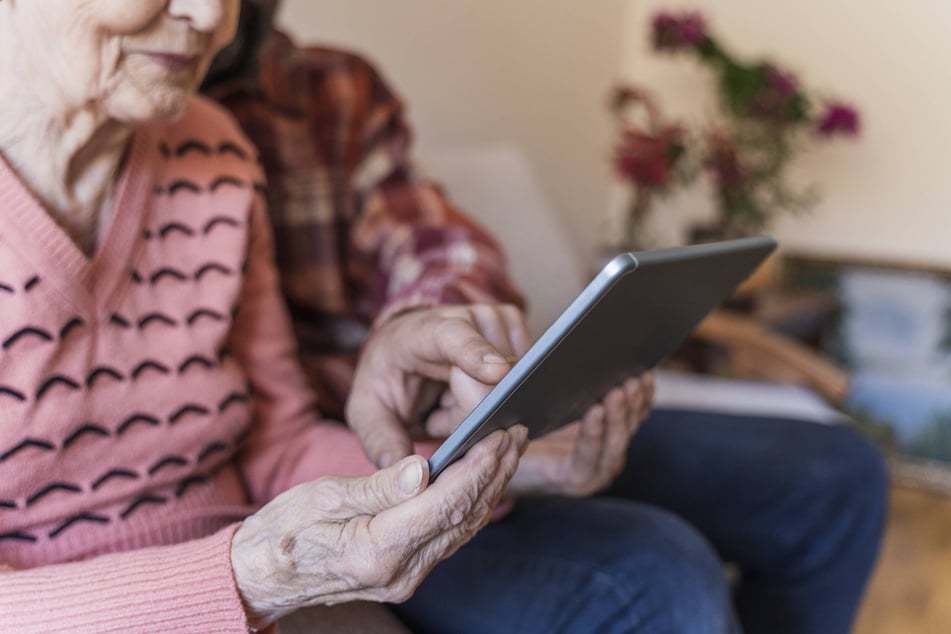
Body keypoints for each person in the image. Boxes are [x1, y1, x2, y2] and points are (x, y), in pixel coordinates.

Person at [201, 2, 890, 633]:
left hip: (461, 428)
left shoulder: (328, 91)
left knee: (839, 476)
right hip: (347, 469)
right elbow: (267, 444)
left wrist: (441, 330)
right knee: (659, 572)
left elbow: (437, 243)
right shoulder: (173, 141)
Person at [0, 1, 656, 631]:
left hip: (257, 590)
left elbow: (277, 445)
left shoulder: (213, 153)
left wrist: (504, 462)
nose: (208, 15)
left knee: (649, 566)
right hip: (125, 604)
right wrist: (253, 577)